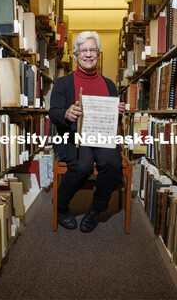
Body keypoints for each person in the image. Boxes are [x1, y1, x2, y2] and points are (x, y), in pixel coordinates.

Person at [49, 31, 125, 233]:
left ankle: (96, 209)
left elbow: (113, 120)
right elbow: (53, 113)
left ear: (98, 55)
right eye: (84, 50)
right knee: (82, 167)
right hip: (73, 136)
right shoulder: (63, 83)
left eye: (93, 50)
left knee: (112, 164)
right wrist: (66, 113)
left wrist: (117, 112)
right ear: (75, 55)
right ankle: (61, 206)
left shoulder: (109, 84)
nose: (89, 54)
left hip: (101, 136)